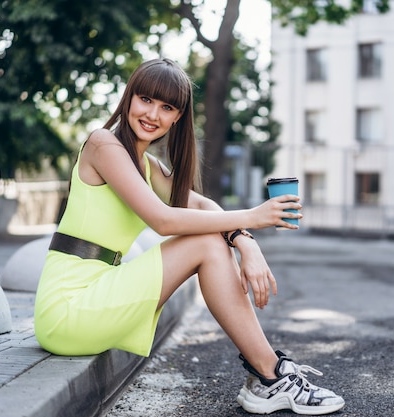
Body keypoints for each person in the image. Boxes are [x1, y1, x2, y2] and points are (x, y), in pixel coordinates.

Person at [34, 57, 344, 415]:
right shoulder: (103, 145)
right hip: (69, 307)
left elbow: (203, 206)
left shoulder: (149, 167)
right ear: (129, 98)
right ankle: (271, 376)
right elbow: (164, 221)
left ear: (177, 117)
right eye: (146, 100)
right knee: (206, 242)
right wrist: (254, 218)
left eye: (167, 107)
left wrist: (246, 243)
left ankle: (269, 376)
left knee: (213, 238)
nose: (153, 114)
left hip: (100, 290)